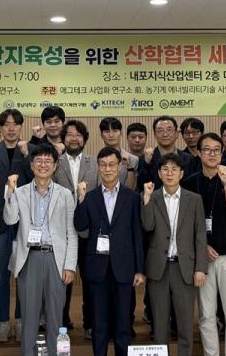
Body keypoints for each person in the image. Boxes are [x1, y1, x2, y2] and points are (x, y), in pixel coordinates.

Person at [4, 144, 78, 355]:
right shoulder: (20, 192)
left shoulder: (65, 194)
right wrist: (10, 191)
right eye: (38, 160)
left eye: (48, 161)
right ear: (31, 165)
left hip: (56, 259)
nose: (43, 165)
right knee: (29, 316)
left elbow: (71, 233)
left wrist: (70, 265)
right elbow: (10, 219)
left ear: (55, 166)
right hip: (29, 258)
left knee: (56, 316)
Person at [74, 146, 145, 356]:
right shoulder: (90, 196)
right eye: (103, 165)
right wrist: (80, 199)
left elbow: (137, 234)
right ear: (98, 167)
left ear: (119, 166)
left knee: (123, 325)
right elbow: (80, 225)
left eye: (112, 164)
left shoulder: (131, 197)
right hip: (97, 269)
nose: (107, 169)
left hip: (124, 268)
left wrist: (139, 269)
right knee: (99, 325)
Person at [181, 133, 226, 356]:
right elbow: (185, 223)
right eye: (207, 149)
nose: (212, 154)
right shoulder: (189, 182)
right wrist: (202, 247)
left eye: (216, 149)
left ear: (222, 152)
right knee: (206, 314)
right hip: (202, 257)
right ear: (198, 153)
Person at [141, 153, 207, 356]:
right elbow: (147, 226)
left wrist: (200, 268)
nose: (170, 173)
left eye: (174, 169)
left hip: (184, 268)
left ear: (182, 173)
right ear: (159, 173)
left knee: (185, 324)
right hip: (158, 269)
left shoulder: (194, 199)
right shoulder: (152, 197)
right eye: (165, 169)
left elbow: (200, 236)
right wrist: (146, 199)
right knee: (159, 325)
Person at [0, 108, 33, 342]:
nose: (11, 128)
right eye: (6, 124)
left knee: (23, 275)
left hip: (26, 224)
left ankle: (21, 320)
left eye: (15, 124)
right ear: (1, 128)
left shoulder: (30, 151)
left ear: (21, 127)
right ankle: (2, 321)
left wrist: (28, 155)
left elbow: (37, 182)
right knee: (1, 276)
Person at [54, 120, 100, 333]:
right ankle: (62, 321)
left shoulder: (95, 163)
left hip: (89, 231)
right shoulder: (55, 161)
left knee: (91, 279)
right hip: (61, 231)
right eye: (70, 134)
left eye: (78, 135)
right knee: (63, 280)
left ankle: (90, 322)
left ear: (85, 139)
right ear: (63, 138)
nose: (74, 138)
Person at [137, 116, 195, 190]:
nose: (165, 134)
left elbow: (192, 187)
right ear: (154, 134)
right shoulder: (145, 158)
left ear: (176, 133)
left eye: (169, 130)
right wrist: (146, 164)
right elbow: (141, 187)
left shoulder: (188, 159)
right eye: (160, 130)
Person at [99, 117, 138, 189]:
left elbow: (133, 189)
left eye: (115, 131)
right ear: (101, 135)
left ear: (121, 133)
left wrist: (129, 167)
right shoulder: (95, 160)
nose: (111, 135)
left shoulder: (134, 160)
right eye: (107, 131)